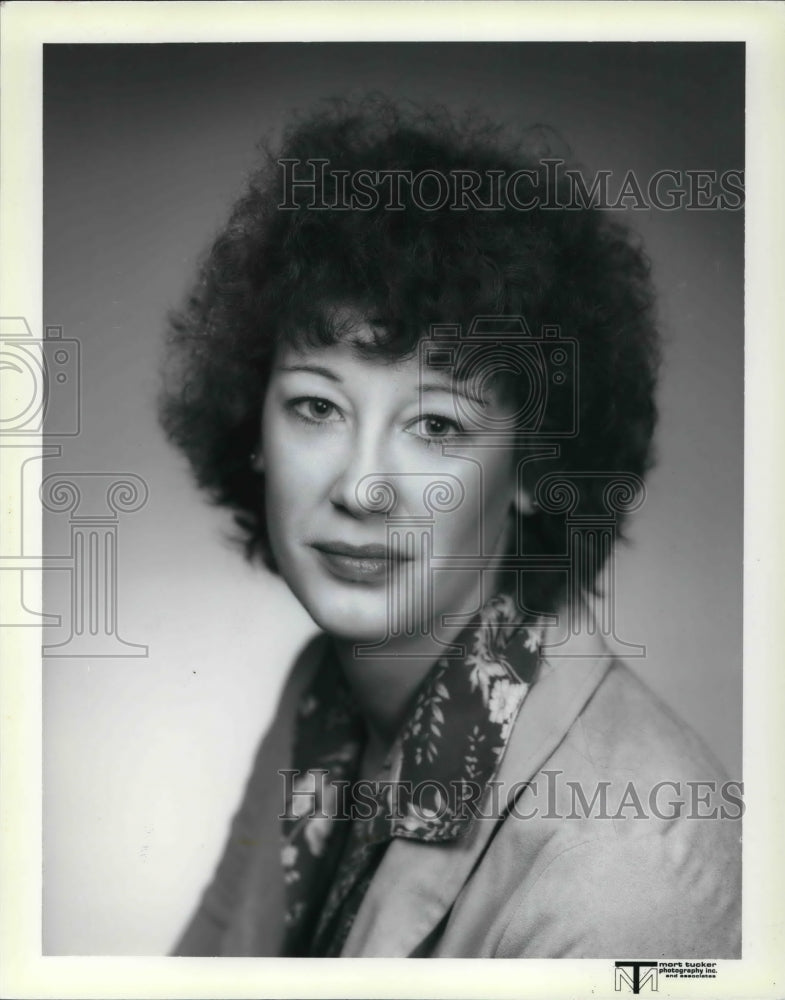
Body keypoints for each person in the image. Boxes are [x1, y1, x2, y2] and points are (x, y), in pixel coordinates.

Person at [158, 96, 740, 958]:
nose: (360, 486)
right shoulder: (322, 697)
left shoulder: (624, 871)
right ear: (253, 429)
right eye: (316, 405)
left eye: (436, 426)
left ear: (534, 470)